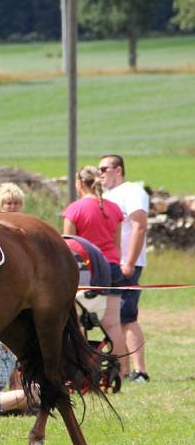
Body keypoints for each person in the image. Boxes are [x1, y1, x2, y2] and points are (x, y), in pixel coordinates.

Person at [63, 165, 130, 378]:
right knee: (113, 324)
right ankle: (121, 372)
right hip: (111, 267)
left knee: (77, 320)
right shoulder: (114, 209)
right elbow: (117, 246)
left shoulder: (75, 209)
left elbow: (69, 246)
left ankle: (80, 370)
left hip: (85, 268)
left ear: (79, 184)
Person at [99, 155, 150, 383]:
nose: (100, 173)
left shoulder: (132, 191)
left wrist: (129, 261)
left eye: (104, 168)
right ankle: (124, 369)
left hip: (127, 263)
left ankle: (140, 371)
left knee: (127, 316)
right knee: (114, 318)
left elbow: (139, 226)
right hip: (110, 263)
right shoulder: (107, 196)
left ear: (118, 170)